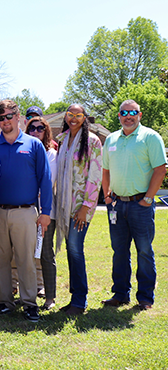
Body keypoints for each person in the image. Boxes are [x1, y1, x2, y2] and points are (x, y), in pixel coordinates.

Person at [0, 100, 52, 323]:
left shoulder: (33, 145)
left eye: (9, 116)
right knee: (0, 259)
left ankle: (29, 303)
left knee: (26, 259)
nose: (5, 121)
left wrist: (46, 211)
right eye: (1, 117)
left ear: (18, 117)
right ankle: (4, 301)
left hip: (26, 212)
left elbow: (45, 179)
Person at [101, 99, 166, 311]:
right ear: (119, 116)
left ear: (140, 114)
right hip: (117, 205)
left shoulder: (150, 137)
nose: (128, 116)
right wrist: (107, 196)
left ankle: (145, 297)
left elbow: (160, 169)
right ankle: (120, 294)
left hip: (141, 205)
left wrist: (148, 198)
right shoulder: (111, 139)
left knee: (144, 250)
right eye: (124, 112)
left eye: (132, 112)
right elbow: (106, 171)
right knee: (119, 251)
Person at [54, 105, 103, 316]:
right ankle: (75, 296)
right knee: (71, 251)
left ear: (84, 118)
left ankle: (80, 300)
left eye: (78, 115)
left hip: (81, 206)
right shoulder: (62, 139)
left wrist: (85, 206)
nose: (74, 118)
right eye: (70, 115)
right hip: (64, 204)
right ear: (66, 116)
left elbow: (95, 175)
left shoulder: (92, 141)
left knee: (75, 248)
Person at [26, 116, 58, 310]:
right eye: (32, 128)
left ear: (46, 131)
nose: (36, 131)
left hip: (46, 211)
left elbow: (48, 181)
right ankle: (27, 294)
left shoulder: (51, 154)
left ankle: (50, 297)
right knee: (25, 254)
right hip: (25, 209)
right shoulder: (24, 152)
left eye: (40, 128)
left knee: (46, 254)